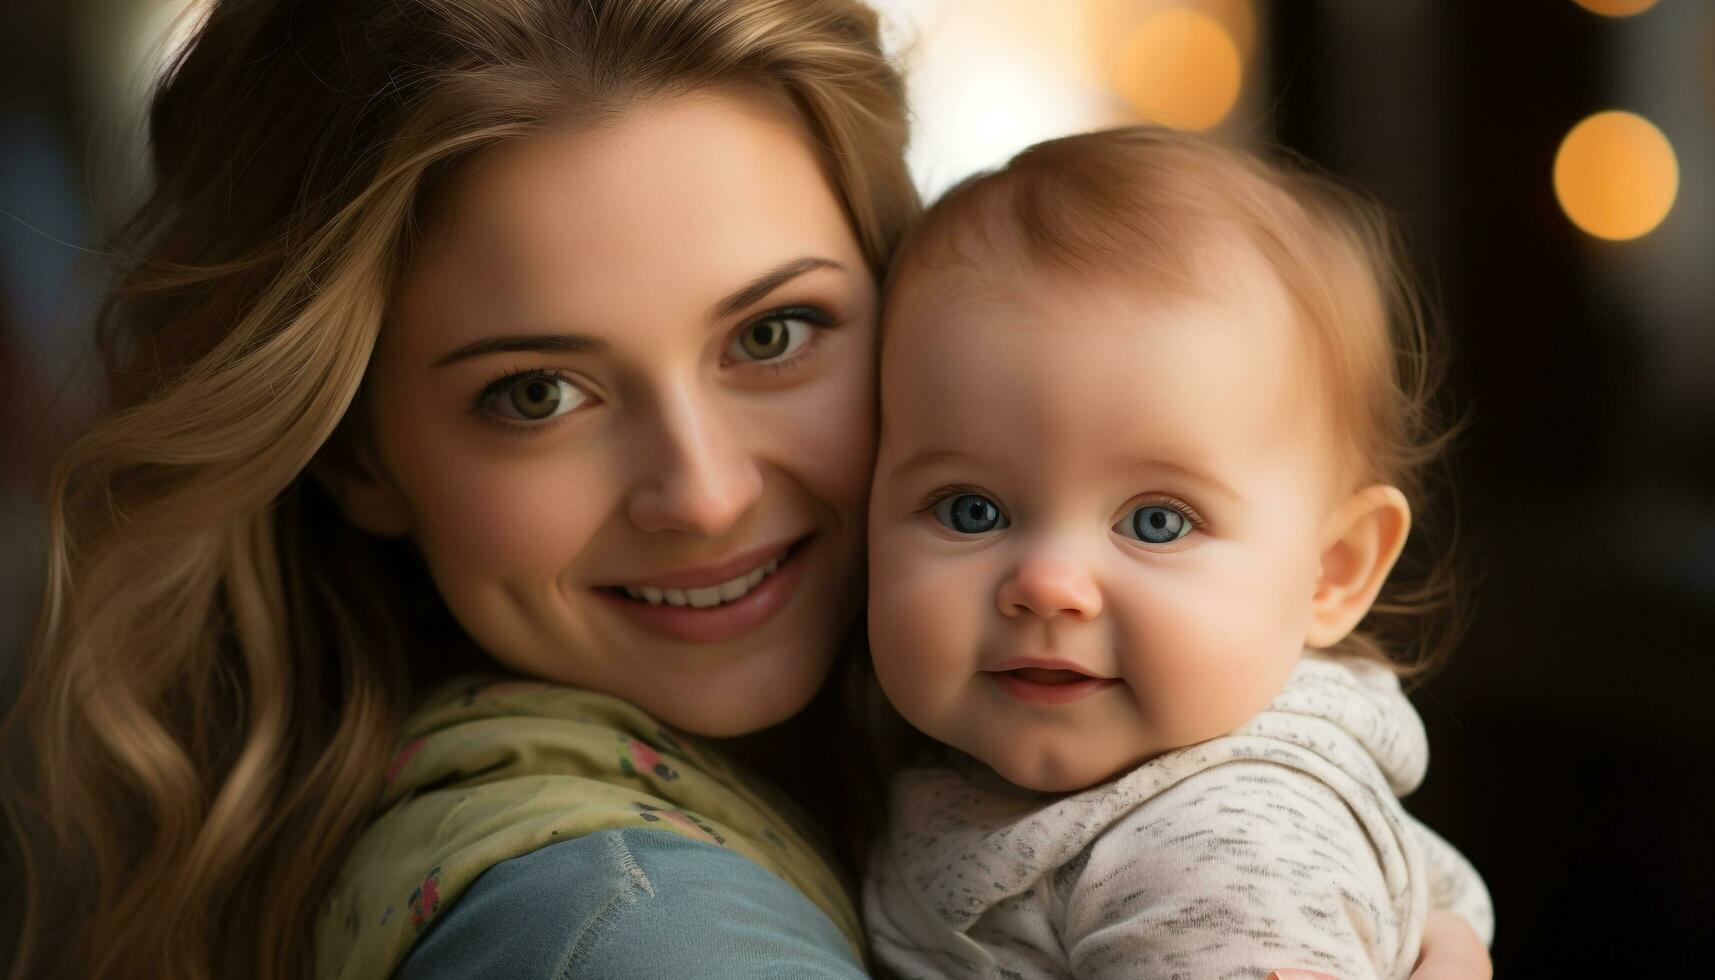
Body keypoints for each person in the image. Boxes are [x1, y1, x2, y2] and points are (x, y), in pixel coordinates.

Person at [0, 1, 1494, 978]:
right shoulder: (627, 924)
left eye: (773, 335)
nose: (703, 495)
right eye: (537, 394)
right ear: (355, 450)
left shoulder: (1078, 752)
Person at [862, 126, 1494, 979]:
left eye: (1156, 521)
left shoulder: (1222, 851)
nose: (1046, 586)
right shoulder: (993, 763)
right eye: (971, 510)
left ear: (1332, 570)